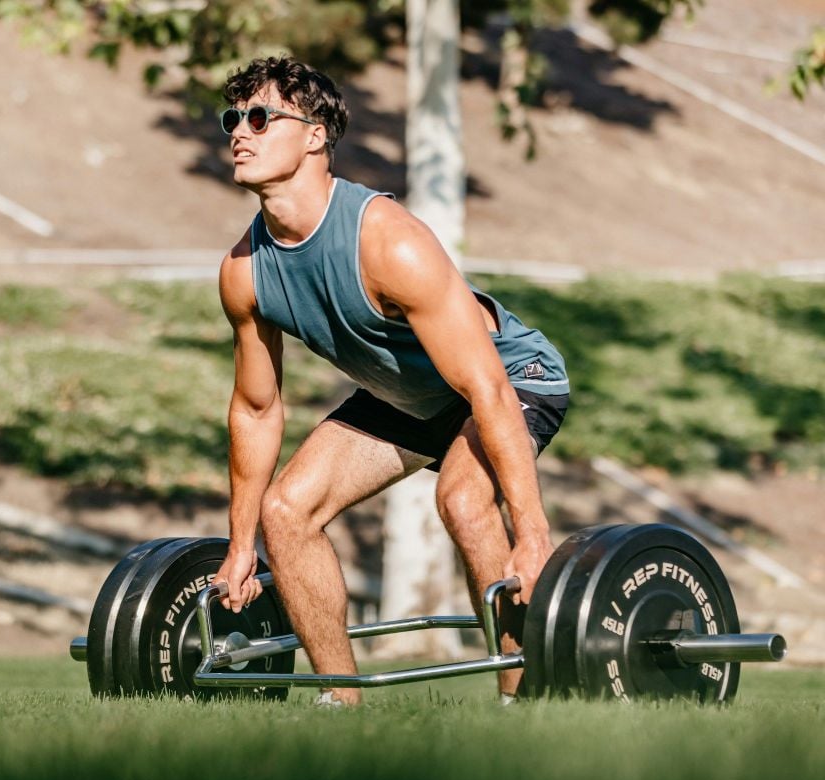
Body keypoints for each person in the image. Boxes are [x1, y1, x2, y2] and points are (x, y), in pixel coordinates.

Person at [212, 56, 569, 705]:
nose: (240, 131)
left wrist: (534, 533)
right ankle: (339, 698)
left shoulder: (387, 242)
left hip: (510, 377)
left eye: (260, 117)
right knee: (286, 512)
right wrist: (240, 546)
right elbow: (257, 411)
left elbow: (486, 387)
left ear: (315, 135)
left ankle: (526, 700)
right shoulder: (245, 272)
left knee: (463, 499)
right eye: (232, 118)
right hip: (404, 395)